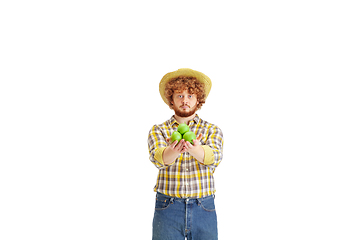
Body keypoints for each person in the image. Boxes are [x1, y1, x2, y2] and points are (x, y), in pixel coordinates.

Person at [148, 68, 224, 240]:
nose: (185, 100)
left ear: (198, 100)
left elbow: (214, 158)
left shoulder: (211, 130)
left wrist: (194, 148)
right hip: (168, 207)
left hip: (203, 207)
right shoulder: (159, 130)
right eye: (179, 96)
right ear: (171, 100)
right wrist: (173, 150)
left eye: (190, 96)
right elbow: (159, 158)